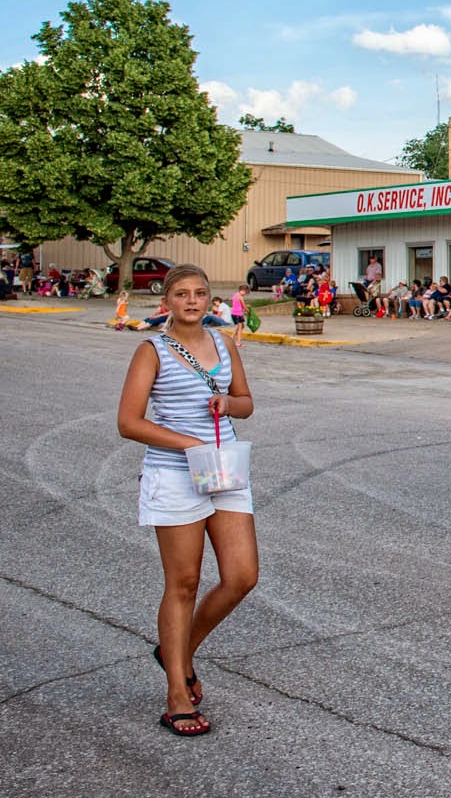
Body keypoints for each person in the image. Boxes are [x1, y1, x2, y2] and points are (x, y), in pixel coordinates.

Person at [116, 263, 258, 737]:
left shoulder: (225, 344)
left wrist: (227, 404)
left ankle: (175, 652)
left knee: (241, 576)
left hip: (224, 469)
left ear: (208, 299)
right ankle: (177, 693)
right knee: (184, 582)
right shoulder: (150, 350)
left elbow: (246, 402)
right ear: (167, 301)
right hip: (175, 474)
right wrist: (187, 444)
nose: (192, 301)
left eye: (199, 293)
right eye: (182, 294)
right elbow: (129, 422)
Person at [229, 284, 250, 348]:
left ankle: (231, 337)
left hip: (233, 313)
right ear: (243, 290)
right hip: (238, 314)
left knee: (240, 326)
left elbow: (237, 304)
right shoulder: (240, 297)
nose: (245, 294)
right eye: (245, 292)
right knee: (240, 327)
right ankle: (238, 343)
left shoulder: (235, 295)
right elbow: (244, 306)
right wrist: (248, 310)